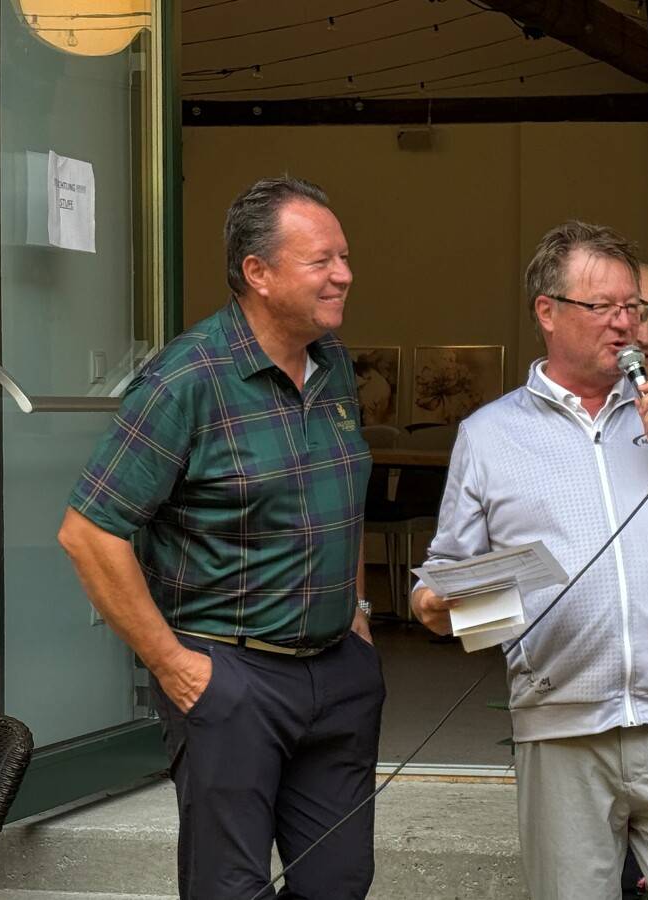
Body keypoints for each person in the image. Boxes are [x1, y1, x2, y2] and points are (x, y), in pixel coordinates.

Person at [411, 222, 648, 900]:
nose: (626, 324)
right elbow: (443, 593)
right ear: (547, 312)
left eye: (632, 307)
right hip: (562, 730)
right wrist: (443, 606)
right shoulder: (489, 435)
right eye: (603, 306)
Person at [57, 176, 383, 900]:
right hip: (231, 678)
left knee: (338, 881)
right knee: (229, 888)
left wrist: (358, 610)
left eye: (344, 257)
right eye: (322, 261)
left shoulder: (332, 363)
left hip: (338, 672)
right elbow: (89, 533)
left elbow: (341, 494)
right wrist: (174, 666)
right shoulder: (185, 381)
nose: (344, 275)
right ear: (257, 273)